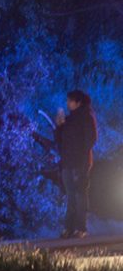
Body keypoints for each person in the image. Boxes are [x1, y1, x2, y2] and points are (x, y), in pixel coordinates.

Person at [55, 89, 98, 239]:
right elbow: (59, 141)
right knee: (71, 195)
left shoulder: (87, 116)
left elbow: (91, 138)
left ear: (78, 102)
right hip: (67, 162)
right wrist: (59, 126)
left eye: (69, 101)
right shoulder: (69, 119)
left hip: (80, 162)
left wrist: (81, 157)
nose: (67, 103)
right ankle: (69, 228)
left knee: (80, 195)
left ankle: (81, 228)